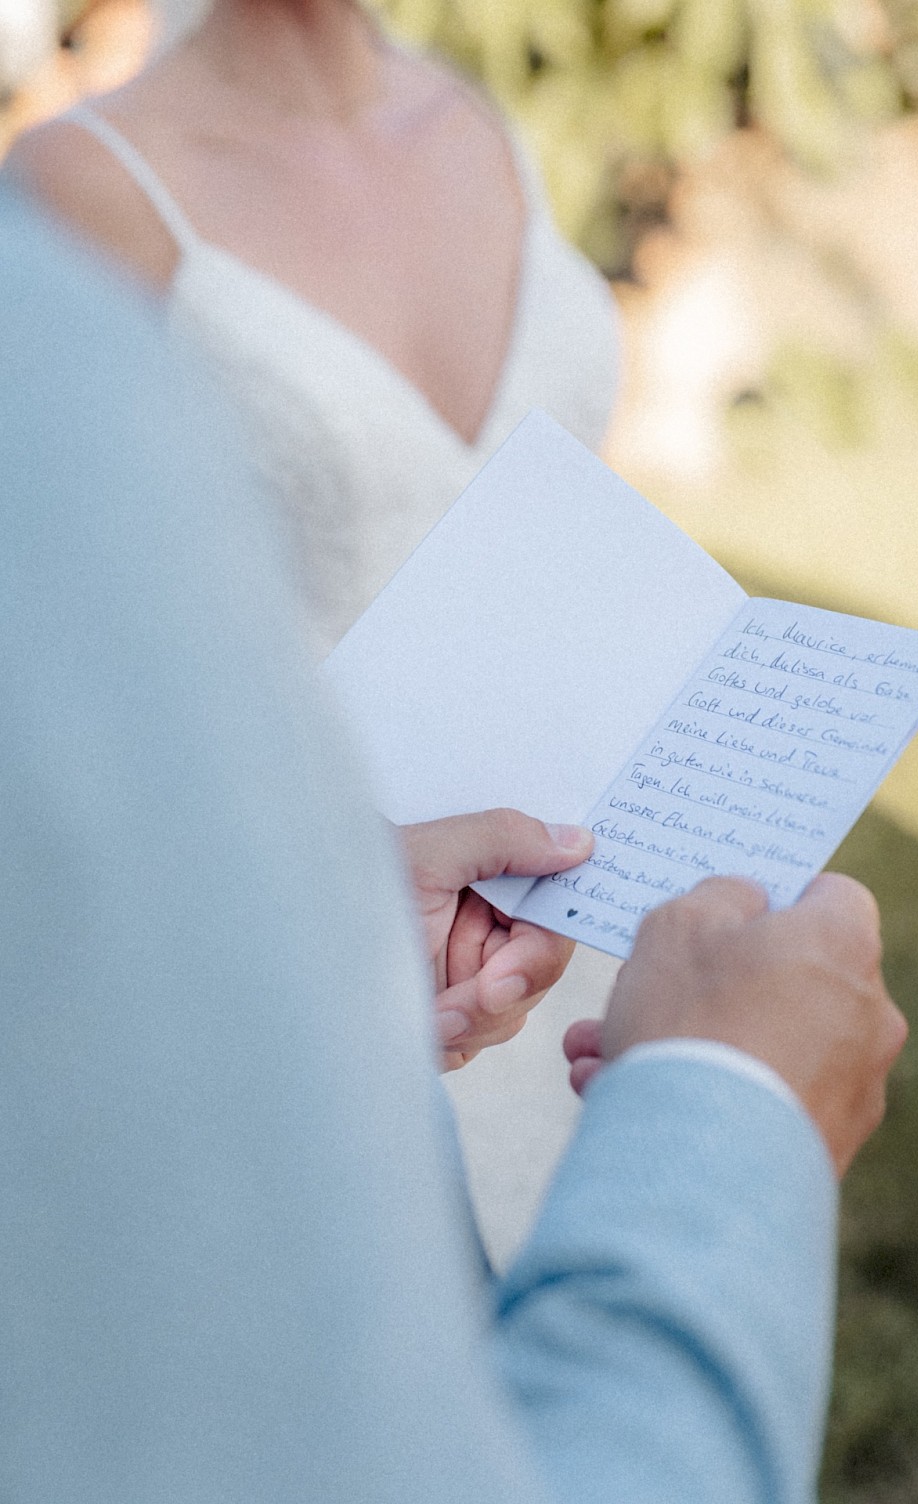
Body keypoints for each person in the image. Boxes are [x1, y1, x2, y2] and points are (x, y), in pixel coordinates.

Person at [2, 185, 906, 1501]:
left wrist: (328, 956)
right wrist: (734, 1104)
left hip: (443, 954)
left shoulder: (482, 146)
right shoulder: (45, 303)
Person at [4, 0, 621, 1260]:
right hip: (316, 958)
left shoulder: (477, 117)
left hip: (579, 929)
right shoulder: (78, 186)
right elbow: (57, 701)